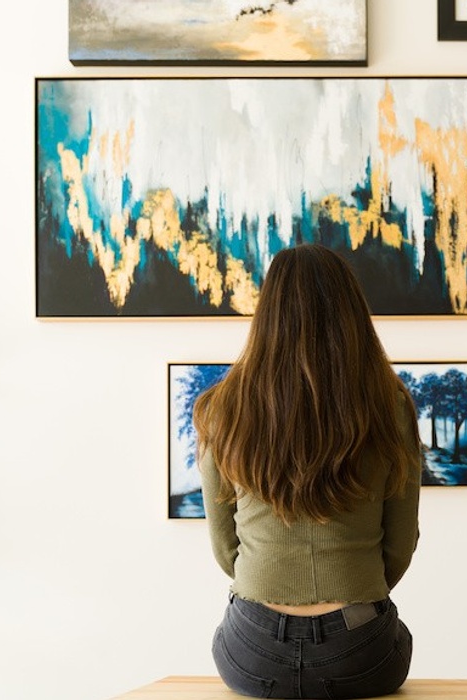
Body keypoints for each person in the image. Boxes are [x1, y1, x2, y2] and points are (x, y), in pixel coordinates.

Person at [193, 244, 423, 699]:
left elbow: (224, 548)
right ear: (352, 313)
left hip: (253, 650)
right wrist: (355, 590)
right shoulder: (390, 405)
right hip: (360, 649)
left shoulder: (222, 407)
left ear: (267, 313)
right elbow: (400, 543)